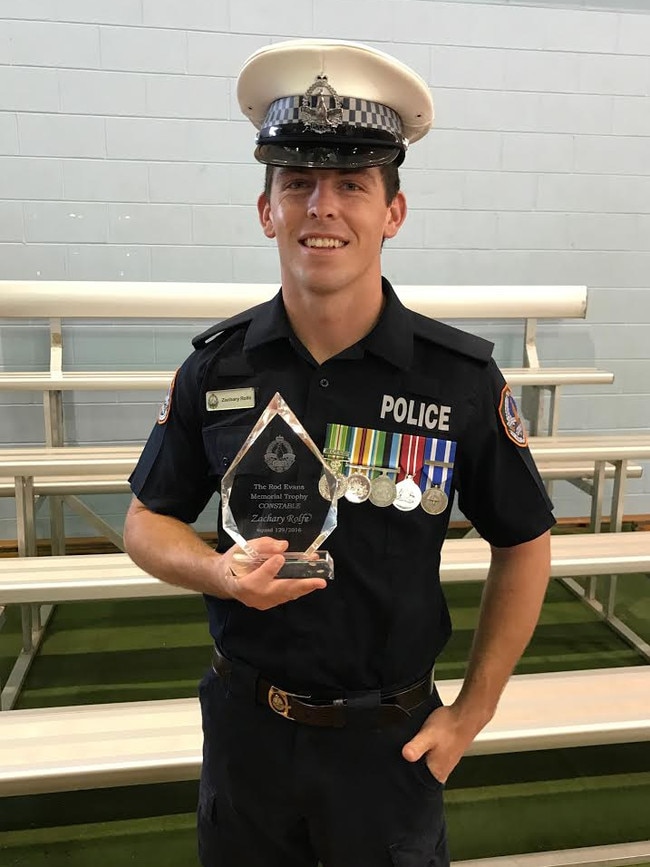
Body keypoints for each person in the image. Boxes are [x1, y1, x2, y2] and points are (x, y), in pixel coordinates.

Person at [124, 39, 554, 867]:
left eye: (352, 184)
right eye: (298, 184)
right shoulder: (217, 368)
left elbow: (526, 540)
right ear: (267, 210)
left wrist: (474, 710)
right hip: (247, 733)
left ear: (393, 211)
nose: (323, 206)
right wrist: (217, 572)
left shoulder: (456, 379)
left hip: (387, 745)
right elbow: (148, 520)